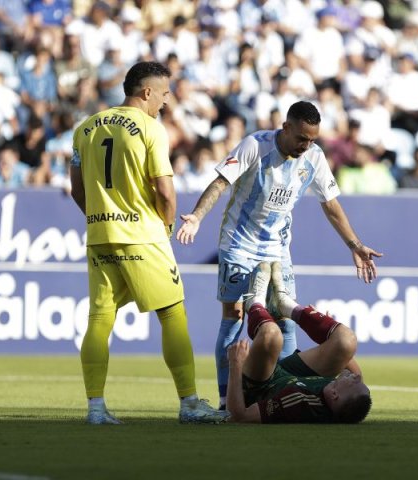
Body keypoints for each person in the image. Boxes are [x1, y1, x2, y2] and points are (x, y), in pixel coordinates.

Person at [176, 101, 382, 409]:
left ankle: (283, 390)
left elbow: (331, 205)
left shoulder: (313, 157)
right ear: (285, 127)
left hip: (278, 248)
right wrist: (196, 216)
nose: (306, 145)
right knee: (234, 318)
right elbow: (220, 184)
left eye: (312, 139)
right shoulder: (254, 146)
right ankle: (224, 400)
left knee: (285, 320)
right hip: (239, 245)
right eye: (301, 137)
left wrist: (354, 244)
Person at [69, 61, 227, 425]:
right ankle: (189, 403)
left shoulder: (85, 128)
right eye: (164, 93)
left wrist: (99, 217)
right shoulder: (150, 129)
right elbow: (165, 190)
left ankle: (95, 408)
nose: (167, 101)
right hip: (142, 234)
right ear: (146, 92)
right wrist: (166, 226)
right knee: (172, 312)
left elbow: (77, 188)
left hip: (100, 235)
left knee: (98, 318)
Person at [226, 262, 371, 423]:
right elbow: (347, 357)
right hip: (294, 377)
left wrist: (235, 365)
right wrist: (326, 334)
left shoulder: (298, 402)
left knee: (271, 335)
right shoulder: (337, 393)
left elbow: (238, 417)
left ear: (335, 395)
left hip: (262, 386)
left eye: (354, 383)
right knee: (346, 342)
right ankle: (285, 304)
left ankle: (255, 302)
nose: (357, 378)